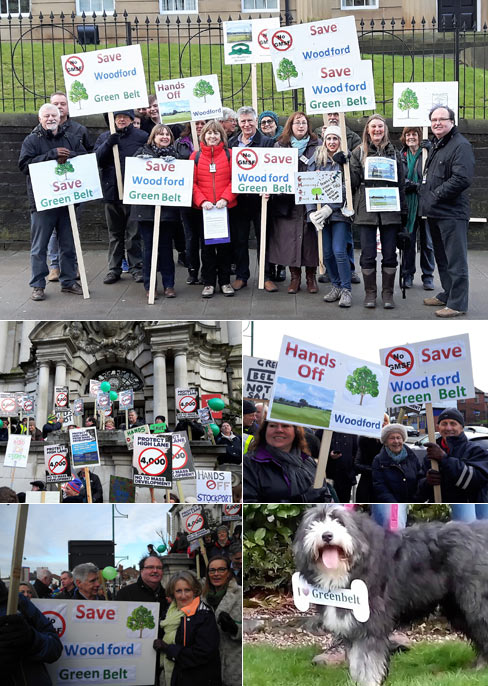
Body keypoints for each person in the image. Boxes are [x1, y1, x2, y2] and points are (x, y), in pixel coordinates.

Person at [19, 103, 86, 301]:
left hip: (67, 200)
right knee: (39, 246)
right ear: (40, 119)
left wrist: (69, 155)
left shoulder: (71, 138)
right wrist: (51, 155)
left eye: (53, 116)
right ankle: (38, 285)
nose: (50, 119)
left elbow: (85, 158)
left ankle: (68, 281)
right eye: (46, 116)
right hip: (43, 201)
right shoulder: (32, 140)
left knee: (68, 244)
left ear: (60, 118)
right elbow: (24, 165)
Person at [419, 105, 475, 317]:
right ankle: (448, 293)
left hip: (451, 213)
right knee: (442, 258)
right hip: (436, 212)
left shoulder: (461, 146)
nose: (437, 123)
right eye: (434, 119)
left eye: (442, 119)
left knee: (455, 259)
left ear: (452, 121)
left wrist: (435, 195)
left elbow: (462, 179)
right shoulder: (439, 144)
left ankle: (458, 304)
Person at [349, 113, 407, 309]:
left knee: (390, 253)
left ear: (385, 130)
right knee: (368, 254)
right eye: (373, 127)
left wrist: (403, 214)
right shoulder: (358, 152)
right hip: (366, 210)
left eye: (380, 127)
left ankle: (388, 294)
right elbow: (354, 183)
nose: (377, 130)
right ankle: (370, 293)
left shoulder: (395, 153)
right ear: (367, 129)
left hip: (390, 209)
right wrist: (346, 164)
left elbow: (401, 184)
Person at [268, 112, 320, 295]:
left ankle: (311, 277)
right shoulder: (280, 146)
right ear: (291, 125)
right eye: (297, 123)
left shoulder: (317, 145)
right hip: (287, 201)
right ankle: (295, 278)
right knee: (289, 239)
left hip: (310, 201)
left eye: (304, 123)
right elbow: (271, 172)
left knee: (310, 240)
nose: (300, 126)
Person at [94, 109, 148, 285]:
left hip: (134, 192)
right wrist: (108, 144)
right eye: (118, 117)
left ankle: (136, 267)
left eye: (125, 117)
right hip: (112, 193)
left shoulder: (141, 136)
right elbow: (96, 161)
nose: (121, 120)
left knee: (134, 234)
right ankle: (114, 269)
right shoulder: (104, 138)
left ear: (132, 119)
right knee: (115, 234)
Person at [46, 91, 93, 283]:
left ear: (68, 106)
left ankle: (72, 266)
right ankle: (55, 267)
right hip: (52, 186)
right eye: (55, 104)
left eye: (62, 103)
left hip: (74, 186)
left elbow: (88, 154)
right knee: (52, 230)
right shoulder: (42, 129)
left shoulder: (79, 129)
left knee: (72, 227)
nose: (59, 107)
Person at [228, 106, 274, 291]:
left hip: (261, 199)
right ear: (238, 123)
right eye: (243, 121)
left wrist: (271, 189)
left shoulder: (267, 142)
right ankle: (241, 275)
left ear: (256, 121)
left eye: (250, 120)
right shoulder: (231, 143)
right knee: (239, 239)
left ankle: (266, 275)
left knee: (264, 238)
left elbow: (274, 169)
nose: (246, 124)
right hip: (239, 199)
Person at [131, 123, 180, 299]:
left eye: (167, 134)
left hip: (167, 212)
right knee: (149, 249)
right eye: (161, 134)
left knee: (166, 249)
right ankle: (149, 285)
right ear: (154, 137)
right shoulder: (141, 154)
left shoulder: (176, 156)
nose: (165, 137)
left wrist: (174, 163)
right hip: (146, 213)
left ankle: (169, 285)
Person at [190, 120, 237, 298]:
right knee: (207, 249)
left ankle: (225, 282)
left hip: (226, 209)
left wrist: (226, 198)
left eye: (216, 133)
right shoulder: (195, 156)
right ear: (203, 135)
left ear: (221, 136)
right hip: (205, 211)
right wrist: (202, 201)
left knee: (225, 248)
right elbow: (192, 184)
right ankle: (209, 282)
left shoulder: (229, 155)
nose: (212, 136)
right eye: (209, 133)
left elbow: (236, 180)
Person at [309, 125, 354, 307]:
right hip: (321, 215)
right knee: (326, 253)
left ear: (340, 141)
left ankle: (346, 289)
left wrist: (330, 207)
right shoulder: (316, 160)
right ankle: (335, 285)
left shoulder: (346, 160)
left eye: (335, 139)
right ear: (324, 140)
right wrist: (311, 212)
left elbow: (348, 188)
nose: (332, 142)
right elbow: (307, 186)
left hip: (339, 214)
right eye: (329, 139)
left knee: (339, 251)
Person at [154, 570, 220, 686]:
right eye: (178, 591)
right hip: (170, 676)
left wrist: (168, 649)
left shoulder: (204, 615)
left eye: (187, 590)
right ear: (172, 593)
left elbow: (203, 654)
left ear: (195, 591)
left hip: (195, 679)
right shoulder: (168, 613)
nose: (183, 595)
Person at [244, 420, 334, 503]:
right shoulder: (250, 463)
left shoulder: (308, 461)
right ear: (265, 431)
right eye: (272, 425)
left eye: (285, 426)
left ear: (296, 431)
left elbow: (326, 496)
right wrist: (299, 501)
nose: (279, 430)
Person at [416, 407, 488, 502]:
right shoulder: (431, 454)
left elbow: (476, 481)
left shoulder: (476, 450)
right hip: (440, 511)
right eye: (444, 424)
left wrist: (444, 459)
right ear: (438, 427)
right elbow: (419, 493)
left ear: (461, 427)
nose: (448, 428)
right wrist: (427, 482)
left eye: (453, 423)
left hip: (467, 511)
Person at [0, 578, 63, 686]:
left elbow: (55, 647)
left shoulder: (17, 601)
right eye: (23, 591)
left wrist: (32, 639)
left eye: (29, 592)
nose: (26, 594)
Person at [399, 126, 435, 290]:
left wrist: (432, 151)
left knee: (427, 242)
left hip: (425, 203)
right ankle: (407, 275)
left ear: (420, 136)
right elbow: (398, 177)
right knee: (408, 241)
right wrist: (412, 185)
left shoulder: (428, 154)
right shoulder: (401, 156)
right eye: (408, 134)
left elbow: (435, 173)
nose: (411, 137)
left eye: (414, 134)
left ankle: (428, 276)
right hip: (408, 204)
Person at [202, 556, 242, 686]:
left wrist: (234, 628)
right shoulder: (201, 598)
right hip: (208, 667)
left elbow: (254, 632)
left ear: (229, 572)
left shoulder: (240, 594)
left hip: (234, 666)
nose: (216, 574)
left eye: (221, 569)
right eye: (212, 570)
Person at [372, 423, 423, 502]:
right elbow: (380, 487)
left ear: (403, 440)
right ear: (385, 442)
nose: (396, 441)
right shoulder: (378, 460)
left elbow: (420, 478)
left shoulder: (411, 456)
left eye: (398, 438)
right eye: (392, 438)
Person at [116, 554, 169, 620]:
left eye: (159, 568)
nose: (155, 571)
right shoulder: (125, 594)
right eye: (150, 567)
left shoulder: (168, 595)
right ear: (141, 571)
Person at [355, 413, 390, 502]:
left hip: (386, 483)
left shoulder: (392, 441)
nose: (383, 423)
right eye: (380, 420)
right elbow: (357, 464)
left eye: (385, 420)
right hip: (367, 482)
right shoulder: (364, 439)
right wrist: (374, 469)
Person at [323, 431, 358, 503]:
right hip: (329, 475)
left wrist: (353, 471)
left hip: (346, 476)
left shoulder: (352, 433)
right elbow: (318, 449)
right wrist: (329, 454)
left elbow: (356, 453)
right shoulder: (326, 431)